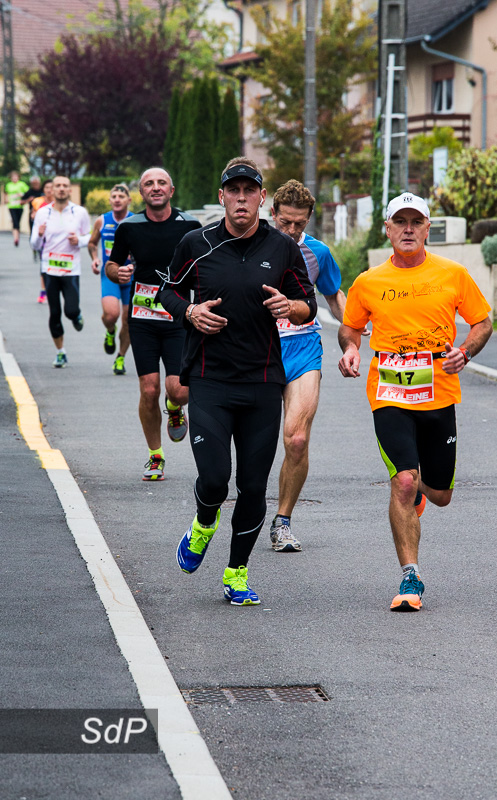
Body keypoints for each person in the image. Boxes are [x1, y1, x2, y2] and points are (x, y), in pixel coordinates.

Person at [157, 158, 317, 606]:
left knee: (252, 485)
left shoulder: (282, 247)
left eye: (250, 191)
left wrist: (291, 307)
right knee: (214, 479)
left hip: (262, 381)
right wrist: (189, 311)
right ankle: (203, 522)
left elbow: (307, 304)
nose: (242, 199)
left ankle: (237, 571)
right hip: (209, 378)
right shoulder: (197, 243)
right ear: (222, 196)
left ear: (262, 198)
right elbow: (167, 290)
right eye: (234, 191)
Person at [338, 192, 492, 611]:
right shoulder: (368, 282)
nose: (408, 229)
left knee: (439, 494)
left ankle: (422, 487)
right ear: (387, 229)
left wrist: (466, 351)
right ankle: (411, 577)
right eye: (400, 222)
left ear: (427, 229)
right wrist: (350, 349)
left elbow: (482, 322)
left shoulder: (453, 274)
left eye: (416, 222)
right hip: (388, 393)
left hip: (439, 394)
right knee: (403, 481)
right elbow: (350, 328)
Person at [268, 179, 352, 552]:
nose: (291, 230)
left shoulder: (318, 252)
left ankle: (283, 521)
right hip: (257, 350)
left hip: (302, 346)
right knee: (253, 444)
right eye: (284, 222)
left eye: (299, 224)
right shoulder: (250, 245)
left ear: (309, 220)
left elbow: (334, 296)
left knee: (297, 439)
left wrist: (354, 335)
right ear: (272, 213)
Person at [105, 167, 201, 480]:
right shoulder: (129, 227)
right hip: (142, 319)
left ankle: (174, 407)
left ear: (171, 191)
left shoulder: (190, 226)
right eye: (149, 183)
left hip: (178, 318)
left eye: (162, 183)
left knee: (180, 391)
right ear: (141, 192)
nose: (156, 187)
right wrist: (117, 273)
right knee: (149, 389)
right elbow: (112, 264)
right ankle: (155, 456)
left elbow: (205, 269)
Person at [30, 176, 91, 368]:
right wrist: (39, 235)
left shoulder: (79, 212)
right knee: (54, 313)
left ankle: (76, 316)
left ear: (70, 190)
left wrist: (79, 241)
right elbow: (34, 244)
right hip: (49, 269)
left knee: (71, 310)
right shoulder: (43, 213)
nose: (62, 189)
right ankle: (60, 352)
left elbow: (89, 237)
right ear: (52, 190)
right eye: (58, 186)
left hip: (71, 269)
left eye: (65, 186)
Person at [88, 184, 134, 375]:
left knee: (128, 320)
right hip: (110, 275)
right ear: (109, 200)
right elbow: (92, 243)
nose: (117, 199)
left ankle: (120, 357)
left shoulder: (136, 222)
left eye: (121, 197)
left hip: (131, 276)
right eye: (114, 196)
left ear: (129, 200)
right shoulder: (102, 220)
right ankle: (110, 331)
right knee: (111, 315)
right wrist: (95, 258)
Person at [31, 179, 54, 302]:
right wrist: (34, 215)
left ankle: (53, 289)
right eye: (47, 188)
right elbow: (33, 214)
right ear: (43, 189)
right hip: (42, 239)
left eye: (51, 187)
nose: (49, 190)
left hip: (55, 240)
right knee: (44, 265)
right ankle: (43, 290)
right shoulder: (38, 202)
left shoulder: (59, 203)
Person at [4, 171, 29, 247]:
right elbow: (6, 193)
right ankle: (16, 239)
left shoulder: (22, 184)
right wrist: (6, 199)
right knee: (15, 222)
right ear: (11, 178)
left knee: (18, 222)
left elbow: (28, 193)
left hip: (20, 206)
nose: (14, 178)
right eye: (13, 177)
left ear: (18, 177)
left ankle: (17, 236)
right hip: (11, 206)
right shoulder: (8, 185)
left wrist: (22, 195)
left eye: (16, 177)